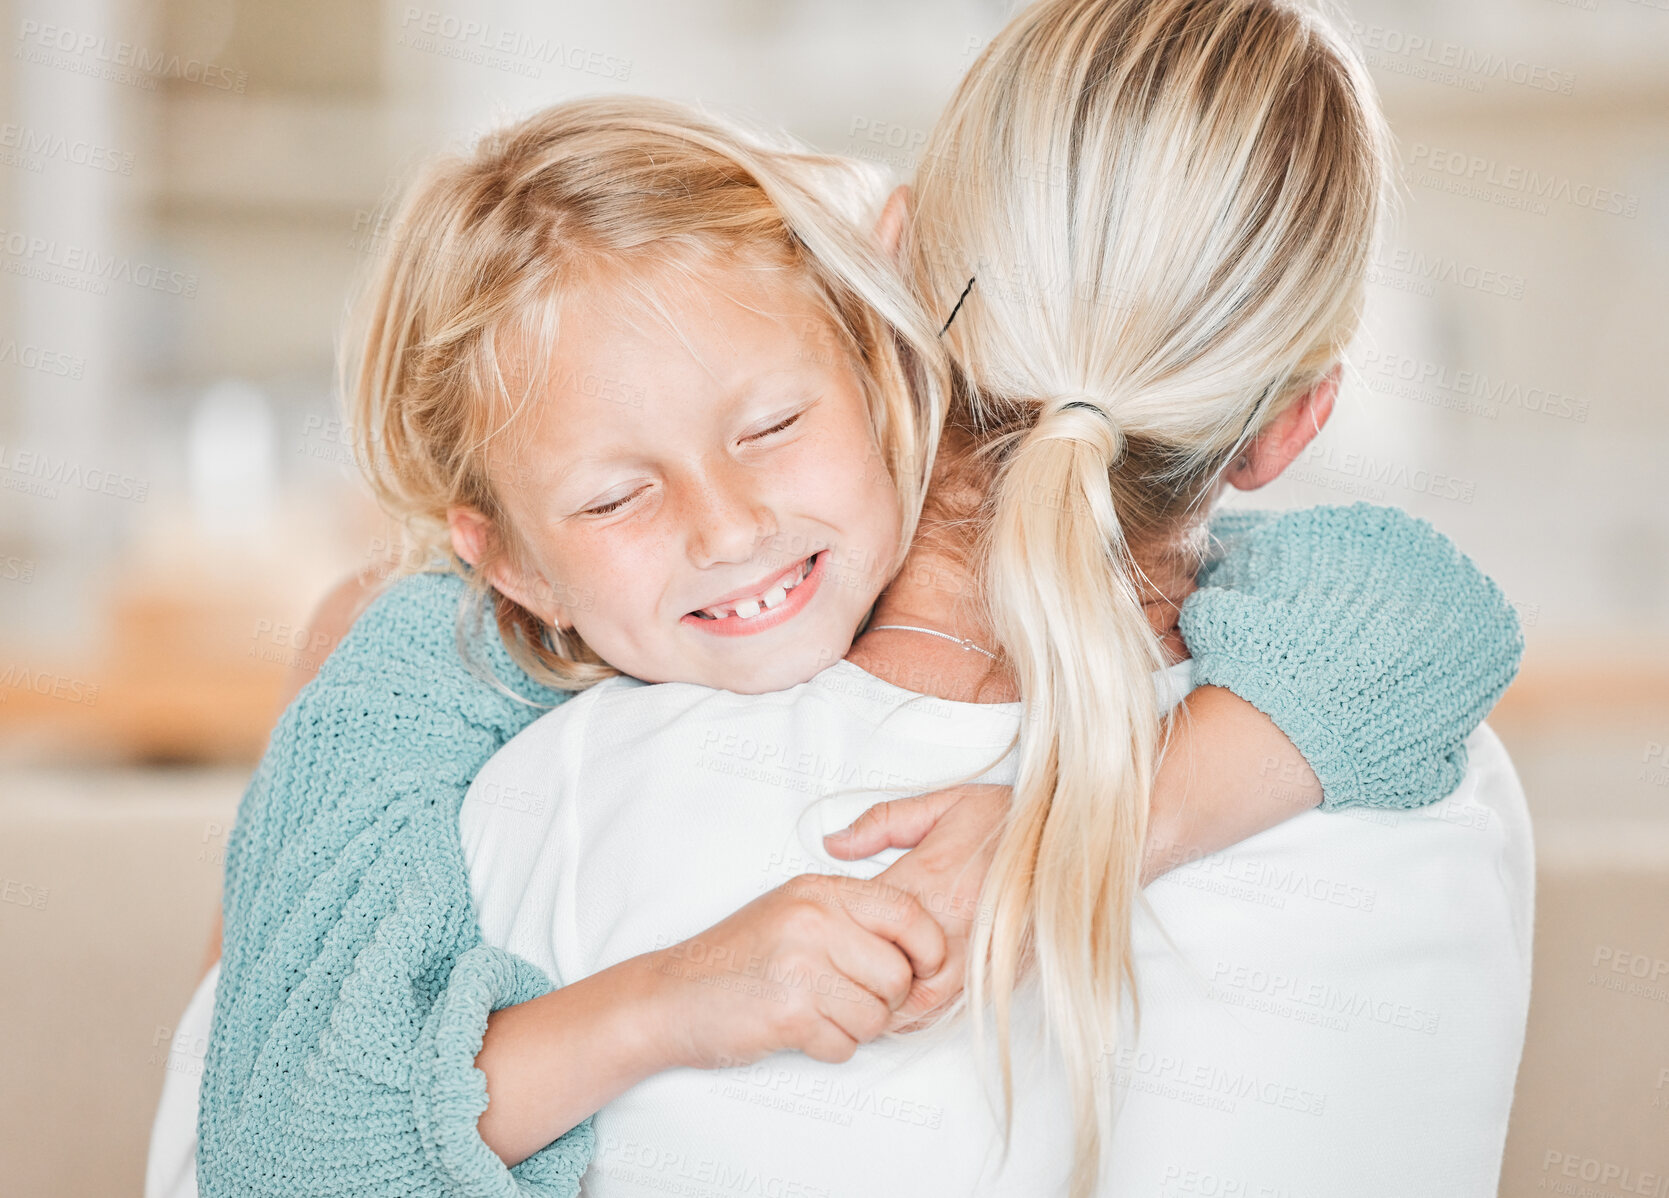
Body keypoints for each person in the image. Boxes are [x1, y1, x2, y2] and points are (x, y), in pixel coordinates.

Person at [158, 34, 1520, 1198]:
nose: (724, 526)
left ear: (889, 280)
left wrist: (1058, 844)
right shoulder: (1421, 779)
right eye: (619, 495)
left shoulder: (538, 799)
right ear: (1289, 426)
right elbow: (1416, 602)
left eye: (767, 424)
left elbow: (1419, 603)